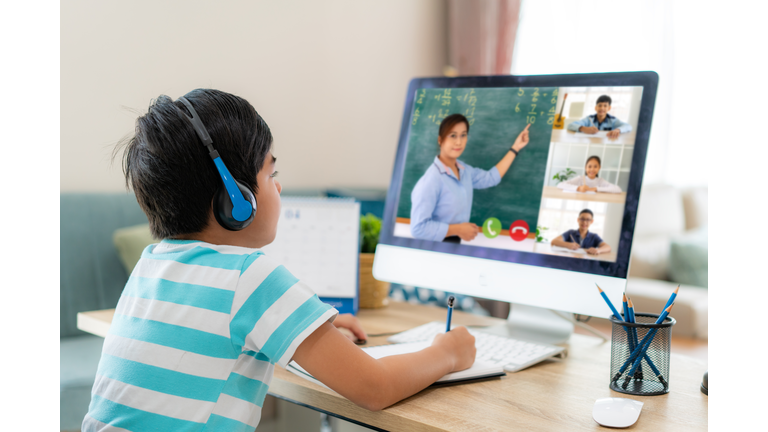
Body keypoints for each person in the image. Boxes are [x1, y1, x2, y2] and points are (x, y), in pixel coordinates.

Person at [82, 89, 476, 431]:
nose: (280, 186)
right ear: (235, 200)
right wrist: (447, 352)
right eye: (272, 173)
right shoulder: (249, 276)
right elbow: (374, 388)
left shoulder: (151, 265)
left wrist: (308, 325)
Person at [410, 113, 531, 243]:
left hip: (454, 244)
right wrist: (457, 229)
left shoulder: (464, 170)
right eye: (453, 135)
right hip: (434, 248)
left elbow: (491, 178)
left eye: (463, 135)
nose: (459, 142)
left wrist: (515, 148)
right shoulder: (432, 179)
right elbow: (418, 228)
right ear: (440, 140)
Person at [566, 95, 632, 139]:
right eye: (599, 105)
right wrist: (584, 128)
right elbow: (570, 125)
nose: (602, 108)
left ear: (609, 108)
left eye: (605, 106)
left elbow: (629, 126)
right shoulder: (589, 119)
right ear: (595, 107)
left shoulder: (613, 120)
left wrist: (617, 130)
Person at [557, 155, 621, 193]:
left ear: (599, 167)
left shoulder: (600, 181)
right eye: (589, 166)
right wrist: (578, 188)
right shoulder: (580, 178)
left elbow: (618, 189)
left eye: (595, 167)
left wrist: (596, 188)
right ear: (585, 167)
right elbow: (560, 185)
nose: (592, 169)